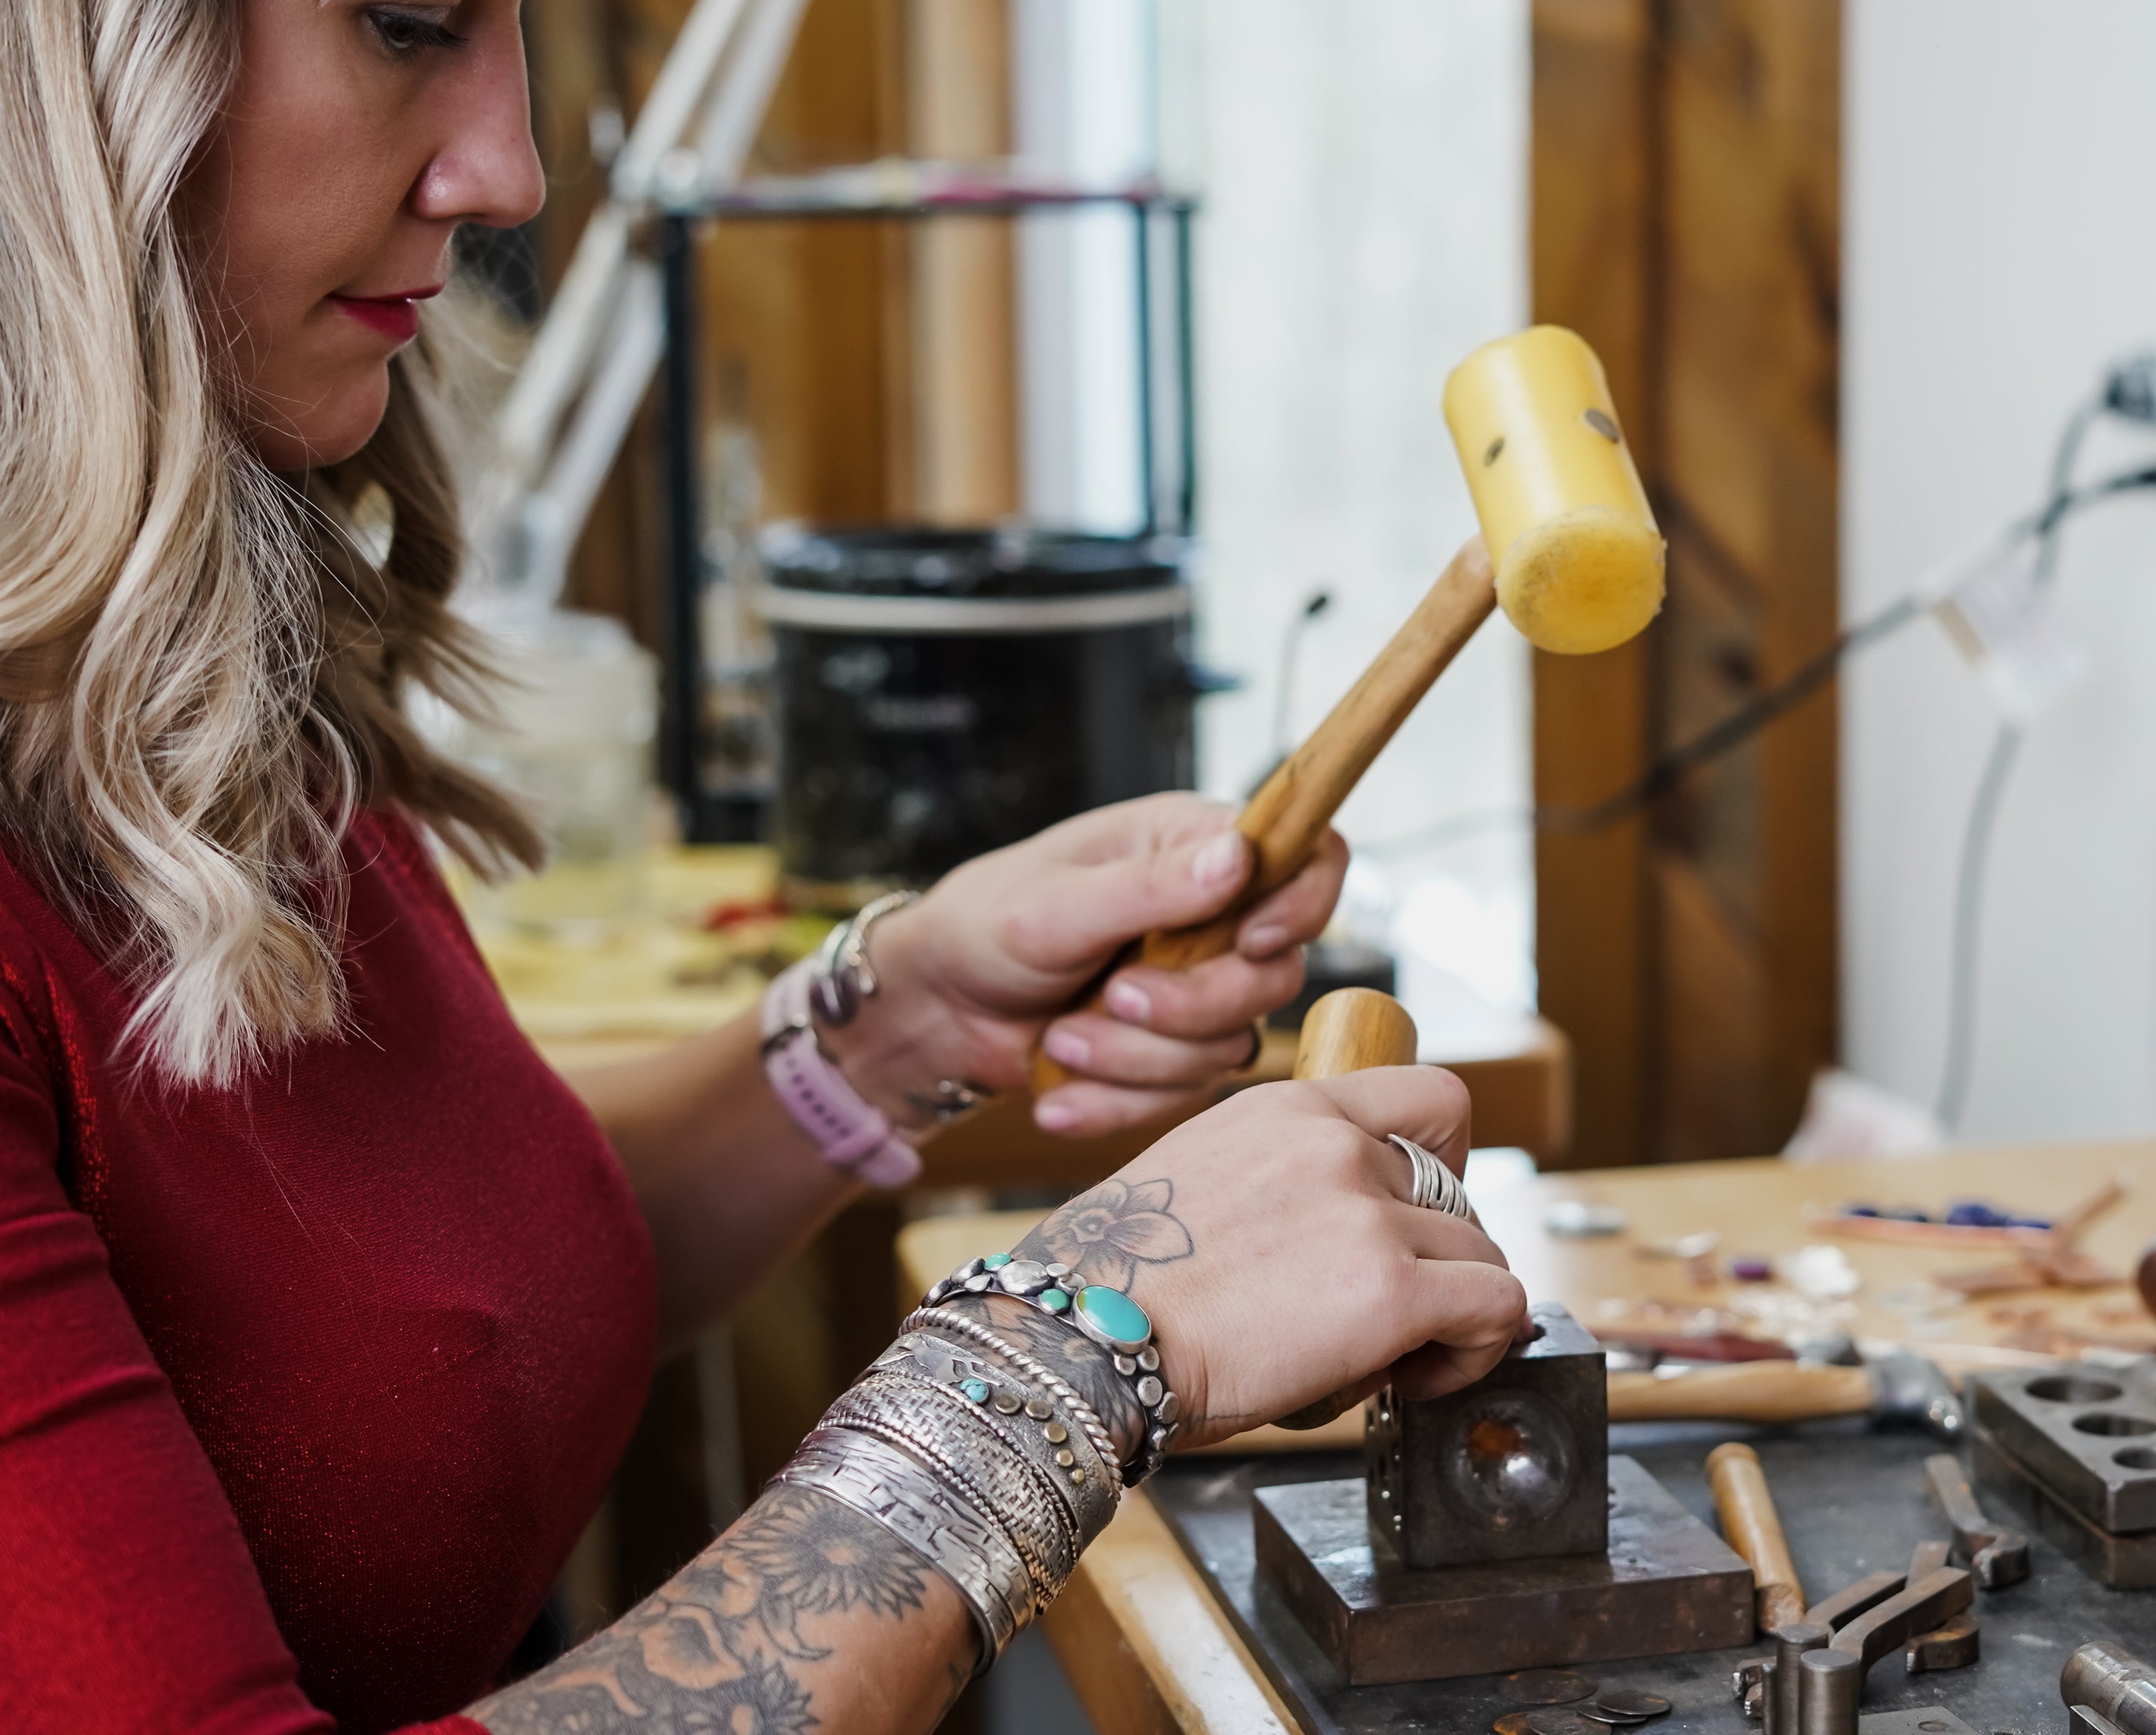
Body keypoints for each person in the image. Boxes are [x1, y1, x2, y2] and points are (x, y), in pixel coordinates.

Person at [0, 2, 1530, 1730]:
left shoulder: (167, 649)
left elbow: (413, 1299)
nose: (507, 168)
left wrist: (900, 1021)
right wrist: (1078, 1342)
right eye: (407, 16)